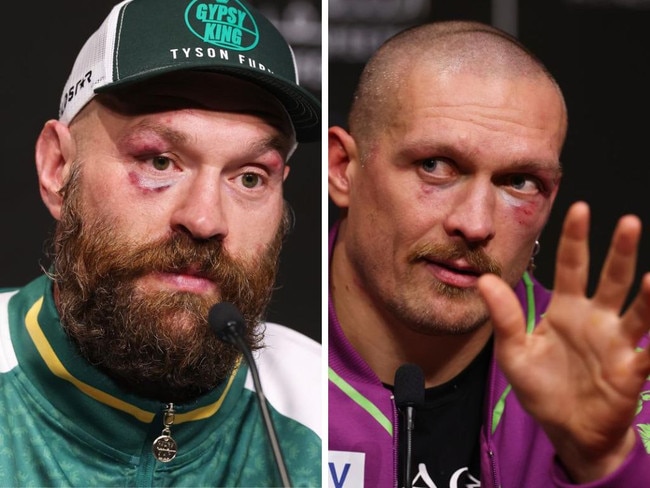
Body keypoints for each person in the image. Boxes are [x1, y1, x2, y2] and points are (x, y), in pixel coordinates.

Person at [0, 0, 322, 486]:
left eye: (250, 178)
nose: (205, 219)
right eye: (159, 162)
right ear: (57, 169)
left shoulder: (322, 412)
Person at [327, 19, 650, 488]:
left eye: (519, 183)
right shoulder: (252, 366)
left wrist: (605, 465)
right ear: (343, 169)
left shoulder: (621, 378)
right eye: (435, 166)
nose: (476, 224)